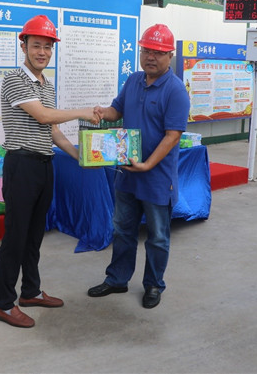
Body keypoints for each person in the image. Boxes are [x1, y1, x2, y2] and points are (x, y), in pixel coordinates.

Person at [0, 15, 99, 328]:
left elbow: (51, 130)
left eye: (48, 47)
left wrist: (79, 155)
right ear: (23, 45)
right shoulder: (14, 79)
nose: (42, 52)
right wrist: (83, 112)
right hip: (21, 165)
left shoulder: (46, 85)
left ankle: (31, 291)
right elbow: (42, 116)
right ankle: (4, 304)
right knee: (15, 236)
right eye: (36, 45)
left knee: (34, 234)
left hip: (44, 164)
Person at [88, 24, 190, 309]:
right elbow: (116, 111)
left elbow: (173, 136)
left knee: (157, 237)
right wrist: (102, 112)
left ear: (169, 56)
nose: (150, 57)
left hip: (157, 178)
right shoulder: (133, 80)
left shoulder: (176, 91)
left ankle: (154, 285)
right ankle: (117, 279)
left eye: (158, 52)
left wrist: (147, 165)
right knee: (122, 230)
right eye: (146, 51)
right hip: (127, 174)